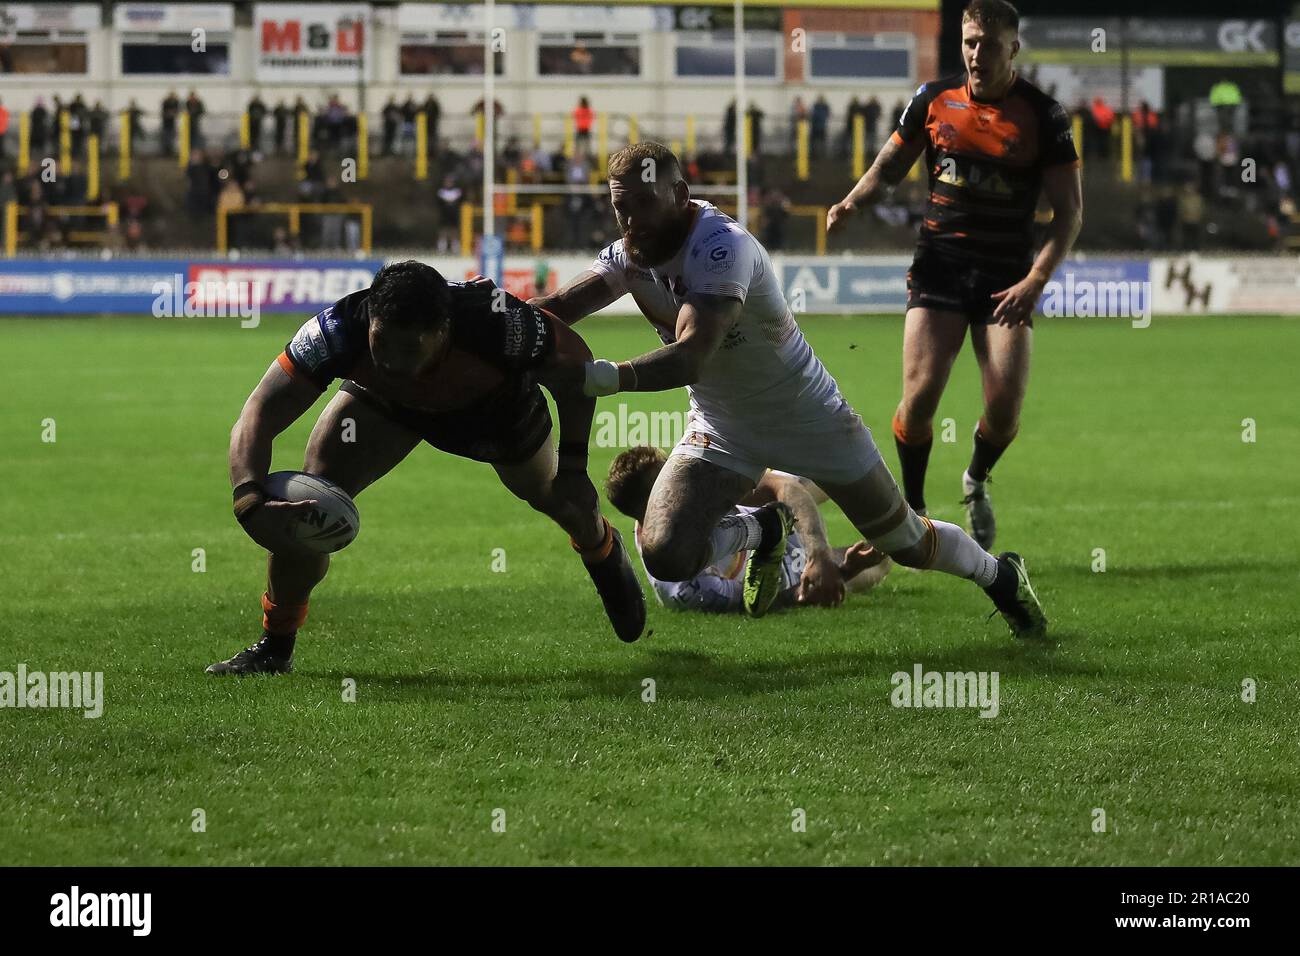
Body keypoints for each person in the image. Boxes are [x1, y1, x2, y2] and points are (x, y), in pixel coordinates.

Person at [530, 140, 1046, 637]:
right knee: (666, 553)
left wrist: (602, 377)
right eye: (622, 208)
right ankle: (764, 530)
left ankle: (999, 576)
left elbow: (690, 356)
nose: (632, 221)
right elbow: (558, 309)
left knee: (906, 542)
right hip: (721, 428)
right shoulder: (628, 253)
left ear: (681, 195)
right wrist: (495, 323)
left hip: (810, 417)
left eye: (645, 204)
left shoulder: (720, 247)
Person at [207, 262, 646, 675]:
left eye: (410, 347)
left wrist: (574, 467)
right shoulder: (339, 329)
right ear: (370, 322)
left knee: (557, 499)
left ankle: (600, 545)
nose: (394, 360)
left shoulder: (497, 321)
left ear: (444, 329)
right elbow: (260, 410)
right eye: (383, 344)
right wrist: (249, 498)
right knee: (311, 503)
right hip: (388, 406)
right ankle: (275, 646)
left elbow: (578, 372)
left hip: (496, 413)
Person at [827, 0, 1082, 552]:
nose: (976, 54)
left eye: (988, 44)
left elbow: (1070, 215)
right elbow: (888, 169)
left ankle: (975, 480)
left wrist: (1036, 281)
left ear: (1013, 48)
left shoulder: (1043, 116)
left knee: (1005, 408)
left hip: (1006, 279)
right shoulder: (934, 100)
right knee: (918, 400)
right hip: (939, 266)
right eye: (969, 42)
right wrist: (851, 203)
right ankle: (912, 512)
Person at [606, 446, 891, 613]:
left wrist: (819, 550)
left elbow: (783, 487)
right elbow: (760, 601)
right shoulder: (687, 587)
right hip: (787, 571)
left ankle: (906, 516)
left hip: (768, 518)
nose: (677, 482)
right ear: (651, 509)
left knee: (840, 461)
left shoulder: (688, 489)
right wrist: (843, 571)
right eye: (667, 483)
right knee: (881, 562)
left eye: (672, 473)